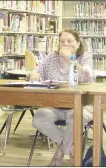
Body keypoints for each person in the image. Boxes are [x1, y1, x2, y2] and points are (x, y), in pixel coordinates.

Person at [27, 28, 94, 166]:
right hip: (55, 106)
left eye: (70, 41)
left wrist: (71, 58)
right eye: (62, 41)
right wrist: (34, 74)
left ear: (78, 43)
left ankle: (60, 151)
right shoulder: (52, 57)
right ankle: (71, 146)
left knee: (75, 117)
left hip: (81, 105)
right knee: (39, 118)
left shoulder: (85, 56)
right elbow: (37, 71)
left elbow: (87, 76)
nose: (65, 44)